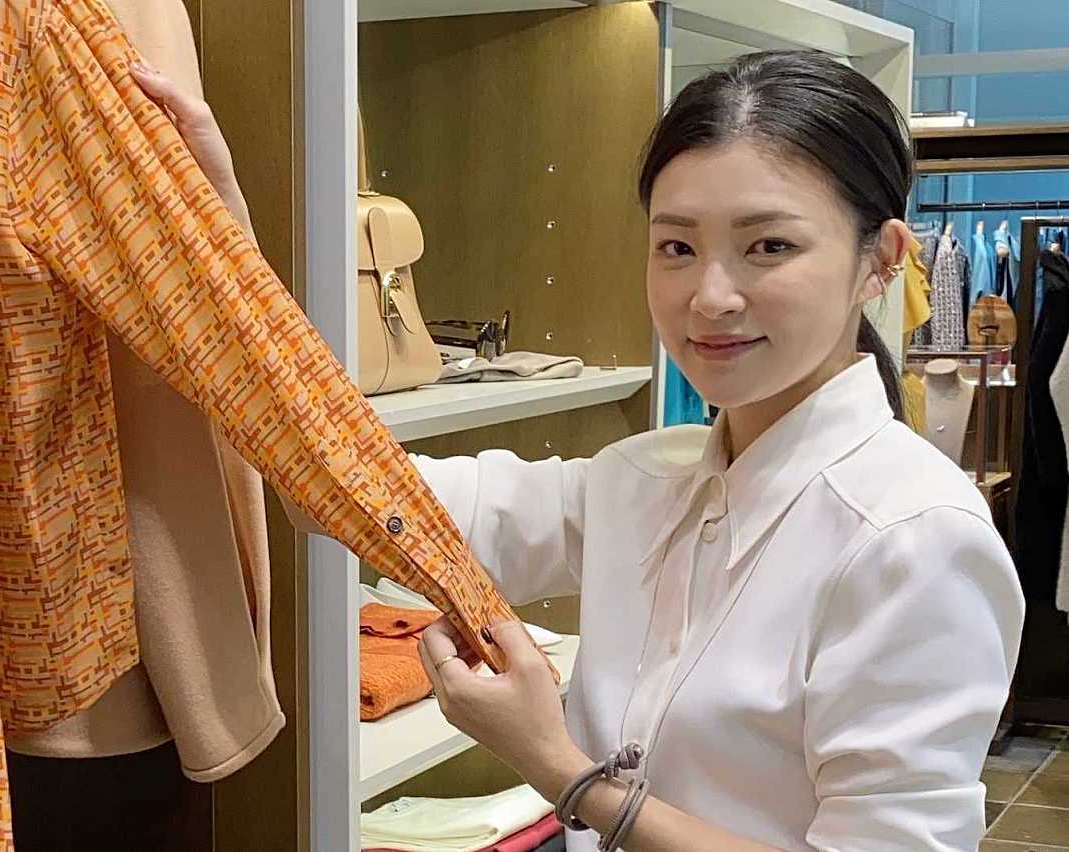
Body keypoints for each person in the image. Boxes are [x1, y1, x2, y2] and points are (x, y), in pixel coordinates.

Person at [135, 49, 1024, 851]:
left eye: (769, 246)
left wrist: (560, 770)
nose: (710, 296)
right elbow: (335, 486)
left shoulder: (914, 540)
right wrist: (221, 237)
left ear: (882, 260)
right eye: (676, 246)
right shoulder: (642, 480)